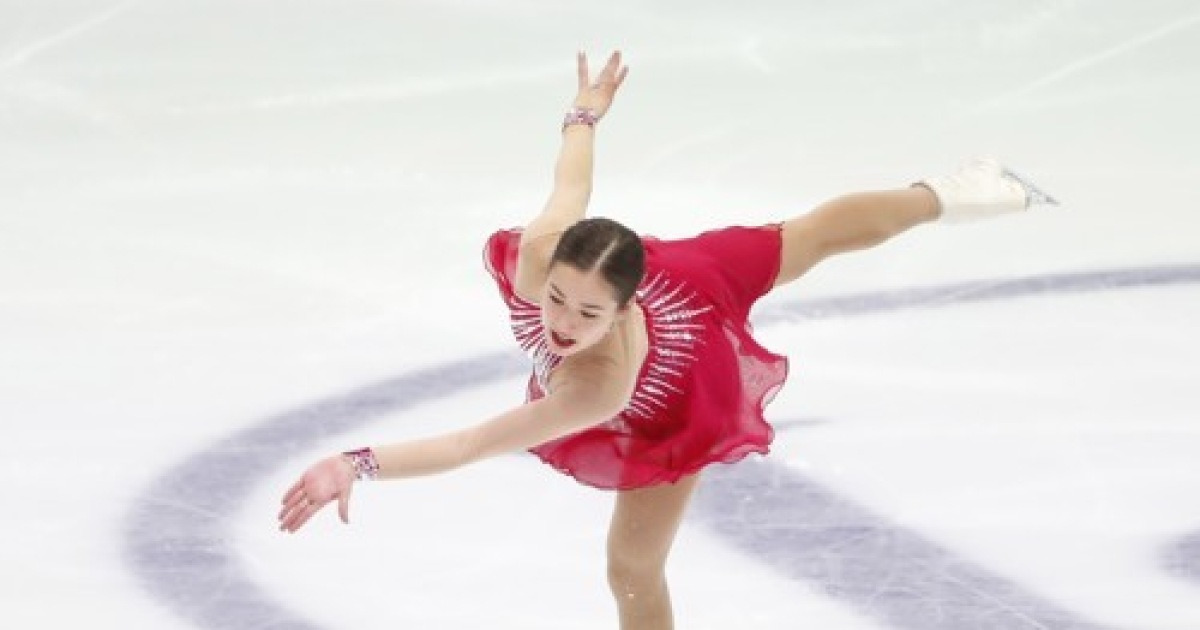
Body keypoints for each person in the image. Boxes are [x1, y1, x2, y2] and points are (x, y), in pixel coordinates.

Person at [277, 50, 1053, 629]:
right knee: (633, 569)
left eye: (587, 314)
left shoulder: (598, 385)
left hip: (678, 384)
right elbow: (572, 184)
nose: (560, 323)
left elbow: (471, 443)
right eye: (558, 300)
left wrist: (357, 462)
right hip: (646, 275)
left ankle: (957, 194)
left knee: (631, 564)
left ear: (622, 309)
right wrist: (583, 115)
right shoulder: (543, 256)